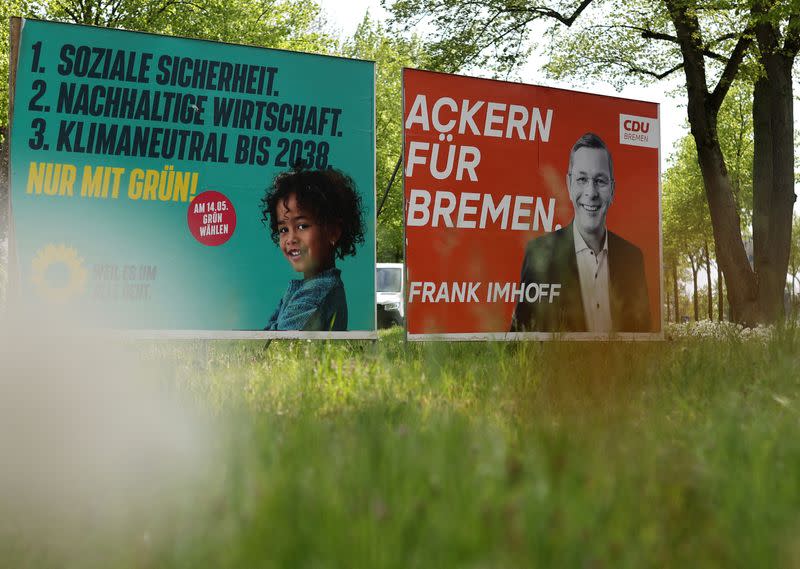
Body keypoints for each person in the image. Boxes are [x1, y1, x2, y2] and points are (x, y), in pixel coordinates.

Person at [510, 132, 651, 333]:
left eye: (600, 181)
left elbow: (643, 337)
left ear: (612, 190)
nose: (591, 193)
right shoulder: (540, 254)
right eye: (582, 179)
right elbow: (520, 340)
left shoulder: (632, 258)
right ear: (568, 185)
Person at [261, 166, 365, 331]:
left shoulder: (317, 291)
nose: (291, 239)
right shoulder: (305, 288)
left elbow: (275, 345)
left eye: (302, 226)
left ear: (332, 232)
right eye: (283, 229)